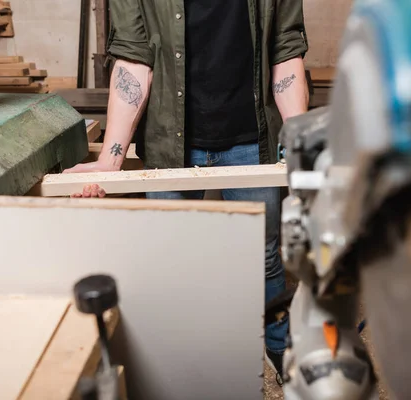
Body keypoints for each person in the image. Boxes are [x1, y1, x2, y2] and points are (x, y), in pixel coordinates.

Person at [64, 0, 309, 383]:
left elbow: (286, 48)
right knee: (171, 261)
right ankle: (179, 368)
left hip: (251, 138)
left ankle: (282, 352)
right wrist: (111, 159)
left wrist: (301, 145)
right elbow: (133, 57)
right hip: (169, 141)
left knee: (263, 256)